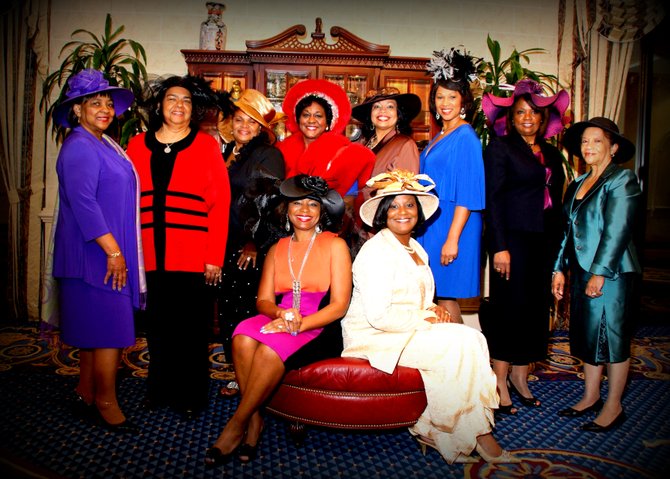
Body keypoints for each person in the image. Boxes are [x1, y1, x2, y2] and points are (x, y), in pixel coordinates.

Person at [341, 169, 519, 465]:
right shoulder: (376, 252)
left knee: (472, 338)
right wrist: (425, 318)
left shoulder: (414, 247)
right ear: (383, 213)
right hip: (374, 337)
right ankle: (477, 437)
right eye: (394, 206)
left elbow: (415, 297)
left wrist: (432, 308)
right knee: (457, 347)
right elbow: (379, 317)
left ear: (418, 211)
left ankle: (446, 430)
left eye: (410, 205)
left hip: (404, 328)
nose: (403, 212)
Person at [205, 175, 352, 467]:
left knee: (270, 349)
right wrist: (282, 316)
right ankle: (256, 420)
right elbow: (263, 302)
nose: (305, 210)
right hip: (282, 316)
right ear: (285, 209)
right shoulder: (276, 248)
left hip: (319, 324)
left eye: (313, 204)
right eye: (298, 203)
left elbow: (339, 306)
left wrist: (297, 324)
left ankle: (237, 423)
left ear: (322, 211)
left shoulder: (335, 245)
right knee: (242, 335)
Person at [126, 75, 231, 419]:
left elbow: (220, 203)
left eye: (186, 101)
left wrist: (213, 258)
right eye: (173, 99)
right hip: (148, 255)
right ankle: (158, 389)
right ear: (160, 105)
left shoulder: (205, 146)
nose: (178, 106)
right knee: (157, 328)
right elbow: (123, 199)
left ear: (193, 109)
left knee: (190, 331)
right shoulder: (137, 144)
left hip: (191, 256)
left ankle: (191, 395)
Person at [49, 69, 146, 433]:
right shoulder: (78, 146)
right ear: (77, 110)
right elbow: (84, 203)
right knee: (109, 331)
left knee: (95, 329)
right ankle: (106, 401)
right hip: (95, 253)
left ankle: (86, 391)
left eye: (108, 103)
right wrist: (114, 252)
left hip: (102, 251)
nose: (105, 109)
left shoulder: (101, 142)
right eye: (95, 102)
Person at [479, 79, 569, 415]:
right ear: (510, 118)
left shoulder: (551, 153)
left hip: (542, 242)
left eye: (534, 112)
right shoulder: (500, 148)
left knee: (533, 311)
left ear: (544, 119)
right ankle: (499, 382)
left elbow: (556, 203)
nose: (528, 117)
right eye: (520, 112)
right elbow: (493, 200)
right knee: (509, 310)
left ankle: (520, 378)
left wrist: (559, 253)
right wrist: (500, 246)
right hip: (511, 242)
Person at [552, 117, 641, 432]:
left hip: (612, 273)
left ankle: (614, 406)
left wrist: (600, 273)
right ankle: (590, 396)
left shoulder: (622, 180)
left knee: (612, 338)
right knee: (588, 335)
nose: (588, 147)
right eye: (584, 141)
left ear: (613, 148)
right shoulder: (577, 182)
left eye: (597, 141)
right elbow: (567, 230)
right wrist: (559, 269)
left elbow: (617, 231)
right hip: (581, 272)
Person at [216, 88, 286, 396]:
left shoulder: (268, 154)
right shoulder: (229, 151)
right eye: (239, 119)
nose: (244, 126)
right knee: (229, 311)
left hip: (250, 247)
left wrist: (252, 243)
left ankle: (249, 378)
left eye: (252, 122)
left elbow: (269, 200)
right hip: (225, 241)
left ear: (261, 129)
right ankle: (238, 370)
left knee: (246, 311)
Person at [416, 48, 485, 324]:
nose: (445, 103)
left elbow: (469, 193)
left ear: (463, 101)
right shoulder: (442, 134)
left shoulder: (466, 136)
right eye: (440, 96)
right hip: (435, 222)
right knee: (437, 294)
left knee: (446, 296)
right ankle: (453, 359)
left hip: (453, 223)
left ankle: (465, 361)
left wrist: (453, 239)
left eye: (452, 97)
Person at [277, 78, 375, 203]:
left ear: (328, 122)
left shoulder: (345, 152)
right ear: (297, 119)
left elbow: (350, 198)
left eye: (318, 116)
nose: (311, 120)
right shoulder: (282, 150)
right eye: (306, 115)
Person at [351, 87, 422, 201]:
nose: (382, 111)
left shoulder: (404, 144)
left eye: (390, 106)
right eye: (377, 106)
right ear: (370, 114)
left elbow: (405, 193)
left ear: (398, 115)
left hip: (383, 214)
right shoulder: (362, 144)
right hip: (356, 213)